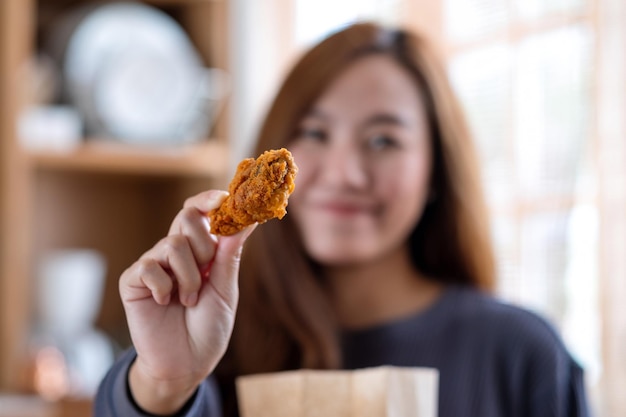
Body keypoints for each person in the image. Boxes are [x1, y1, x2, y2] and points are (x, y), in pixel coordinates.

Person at [94, 22, 590, 416]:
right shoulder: (211, 337)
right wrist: (165, 384)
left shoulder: (520, 355)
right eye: (313, 133)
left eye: (383, 140)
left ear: (436, 169)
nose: (345, 174)